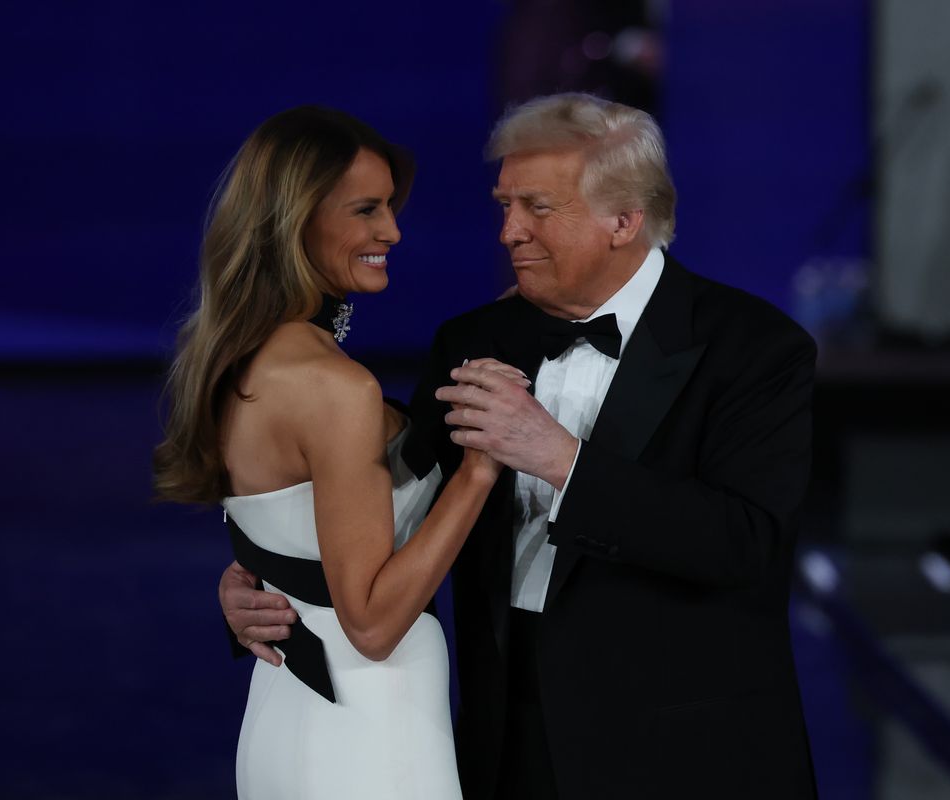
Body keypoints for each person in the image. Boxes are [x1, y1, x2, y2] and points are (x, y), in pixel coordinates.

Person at [223, 94, 819, 799]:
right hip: (507, 750)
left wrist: (560, 459)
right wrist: (264, 579)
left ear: (623, 220)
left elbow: (746, 542)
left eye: (537, 208)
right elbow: (391, 516)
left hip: (686, 754)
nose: (508, 232)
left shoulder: (754, 349)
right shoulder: (473, 339)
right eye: (504, 205)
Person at [156, 106, 525, 799]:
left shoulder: (243, 358)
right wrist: (481, 465)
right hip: (369, 730)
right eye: (367, 210)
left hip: (286, 714)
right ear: (298, 221)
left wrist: (245, 585)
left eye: (389, 207)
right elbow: (374, 624)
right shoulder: (336, 387)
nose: (392, 230)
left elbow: (285, 533)